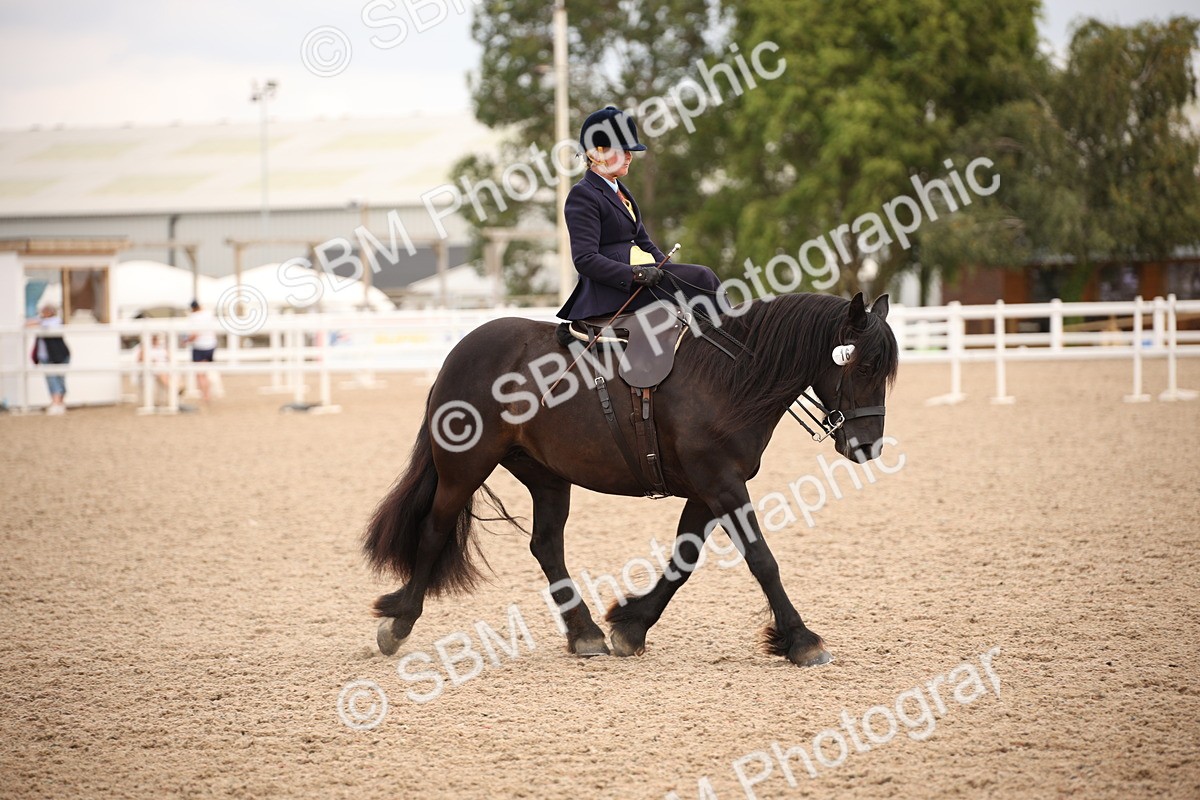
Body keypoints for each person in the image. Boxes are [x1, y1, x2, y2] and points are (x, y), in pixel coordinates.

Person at [558, 105, 724, 322]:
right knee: (703, 277)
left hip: (643, 276)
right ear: (596, 153)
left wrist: (674, 273)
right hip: (613, 289)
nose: (629, 157)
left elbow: (645, 243)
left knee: (698, 278)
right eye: (622, 150)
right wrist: (635, 274)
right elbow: (585, 259)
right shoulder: (583, 194)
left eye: (630, 151)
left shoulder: (621, 191)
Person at [28, 304, 70, 415]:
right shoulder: (42, 321)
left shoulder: (55, 321)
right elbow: (29, 324)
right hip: (46, 357)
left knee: (58, 379)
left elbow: (42, 324)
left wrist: (37, 321)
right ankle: (56, 402)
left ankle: (58, 402)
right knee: (51, 379)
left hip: (58, 355)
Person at [185, 300, 218, 403]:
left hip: (200, 346)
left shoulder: (193, 317)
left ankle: (205, 395)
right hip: (211, 345)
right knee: (205, 372)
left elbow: (195, 334)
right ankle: (207, 394)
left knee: (200, 374)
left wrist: (186, 341)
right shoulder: (208, 314)